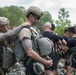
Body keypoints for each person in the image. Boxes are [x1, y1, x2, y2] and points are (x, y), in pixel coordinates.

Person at [18, 6, 53, 75]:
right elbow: (29, 52)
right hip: (30, 66)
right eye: (38, 18)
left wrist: (47, 58)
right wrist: (45, 62)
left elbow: (38, 47)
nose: (39, 20)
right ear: (31, 16)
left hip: (37, 64)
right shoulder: (25, 30)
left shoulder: (34, 29)